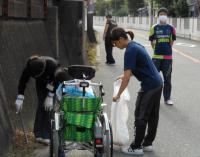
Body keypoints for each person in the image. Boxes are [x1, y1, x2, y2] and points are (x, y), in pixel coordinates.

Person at [111, 27, 163, 155]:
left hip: (149, 85)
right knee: (152, 115)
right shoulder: (135, 45)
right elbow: (141, 66)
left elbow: (127, 77)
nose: (115, 46)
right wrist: (124, 76)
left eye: (115, 43)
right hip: (157, 83)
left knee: (141, 114)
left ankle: (136, 147)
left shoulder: (130, 51)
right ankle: (147, 143)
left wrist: (118, 95)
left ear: (121, 39)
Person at [15, 55, 71, 145]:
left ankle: (47, 135)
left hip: (52, 83)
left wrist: (50, 95)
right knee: (41, 105)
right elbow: (23, 81)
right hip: (41, 84)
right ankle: (38, 134)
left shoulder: (53, 65)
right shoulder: (30, 68)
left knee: (49, 108)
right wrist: (20, 97)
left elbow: (57, 80)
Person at [149, 7, 176, 105]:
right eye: (161, 14)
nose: (162, 16)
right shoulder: (154, 27)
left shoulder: (171, 28)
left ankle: (167, 98)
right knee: (154, 79)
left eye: (164, 14)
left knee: (167, 79)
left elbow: (171, 41)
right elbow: (152, 41)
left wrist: (167, 50)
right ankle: (153, 99)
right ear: (158, 16)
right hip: (156, 58)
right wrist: (156, 51)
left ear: (167, 16)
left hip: (168, 58)